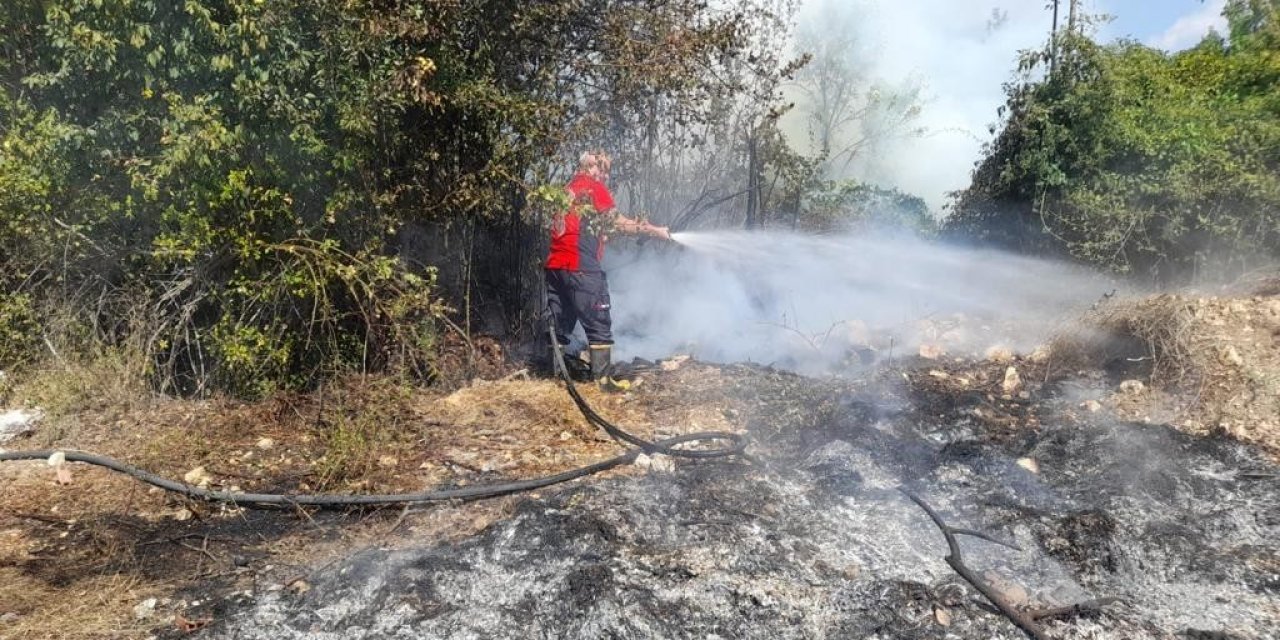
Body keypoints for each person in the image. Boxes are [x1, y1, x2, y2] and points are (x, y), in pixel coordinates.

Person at [545, 150, 670, 387]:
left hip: (555, 267)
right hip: (581, 267)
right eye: (603, 169)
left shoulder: (566, 190)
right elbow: (616, 221)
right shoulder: (593, 187)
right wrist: (655, 231)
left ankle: (557, 378)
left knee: (560, 324)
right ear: (593, 167)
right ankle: (603, 382)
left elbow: (587, 229)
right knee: (599, 320)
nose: (605, 175)